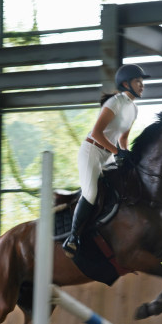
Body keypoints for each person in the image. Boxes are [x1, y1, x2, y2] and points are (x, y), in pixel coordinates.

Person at [62, 63, 150, 258]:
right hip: (92, 150)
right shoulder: (115, 103)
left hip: (108, 154)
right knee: (91, 192)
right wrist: (117, 152)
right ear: (126, 84)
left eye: (142, 82)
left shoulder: (134, 109)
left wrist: (125, 155)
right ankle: (73, 238)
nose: (142, 85)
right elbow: (97, 133)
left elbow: (123, 139)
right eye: (138, 81)